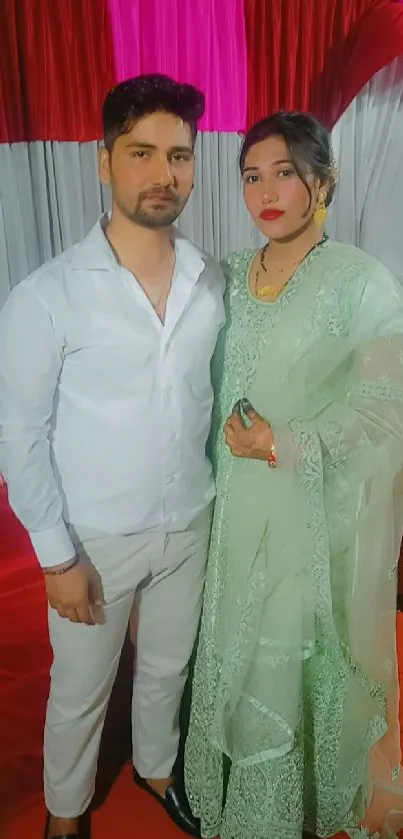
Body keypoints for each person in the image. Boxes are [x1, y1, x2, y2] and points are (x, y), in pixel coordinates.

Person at [0, 74, 225, 839]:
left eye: (179, 156)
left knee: (168, 668)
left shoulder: (211, 279)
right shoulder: (47, 295)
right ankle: (65, 813)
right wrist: (57, 556)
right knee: (81, 688)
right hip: (94, 539)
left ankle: (156, 767)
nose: (164, 174)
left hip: (190, 520)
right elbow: (19, 435)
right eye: (141, 154)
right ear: (103, 162)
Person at [184, 111, 403, 839]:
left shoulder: (360, 281)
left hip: (304, 511)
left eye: (284, 172)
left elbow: (384, 406)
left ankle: (274, 818)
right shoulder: (228, 278)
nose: (266, 191)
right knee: (233, 650)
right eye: (251, 175)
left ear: (323, 180)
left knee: (282, 660)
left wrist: (291, 441)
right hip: (231, 511)